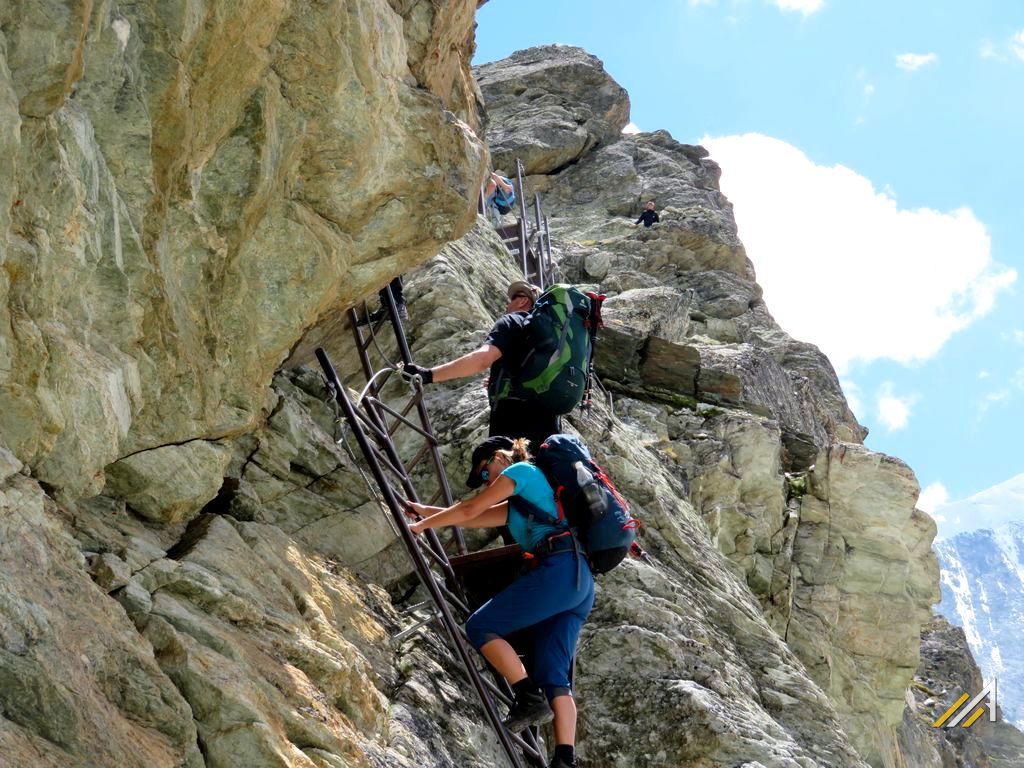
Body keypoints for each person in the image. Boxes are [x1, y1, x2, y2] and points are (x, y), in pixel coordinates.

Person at [405, 436, 593, 768]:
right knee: (554, 675)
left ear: (496, 457)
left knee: (481, 625)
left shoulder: (521, 471)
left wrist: (419, 527)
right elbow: (469, 517)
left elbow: (469, 507)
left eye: (483, 473)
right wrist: (425, 512)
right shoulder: (521, 504)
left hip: (558, 571)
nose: (486, 481)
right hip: (578, 583)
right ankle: (566, 760)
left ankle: (527, 697)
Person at [402, 280, 558, 453]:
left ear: (523, 301)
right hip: (549, 426)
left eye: (513, 298)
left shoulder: (513, 321)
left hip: (513, 422)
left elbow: (482, 360)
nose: (508, 304)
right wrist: (498, 381)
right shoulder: (549, 339)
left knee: (507, 476)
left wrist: (428, 375)